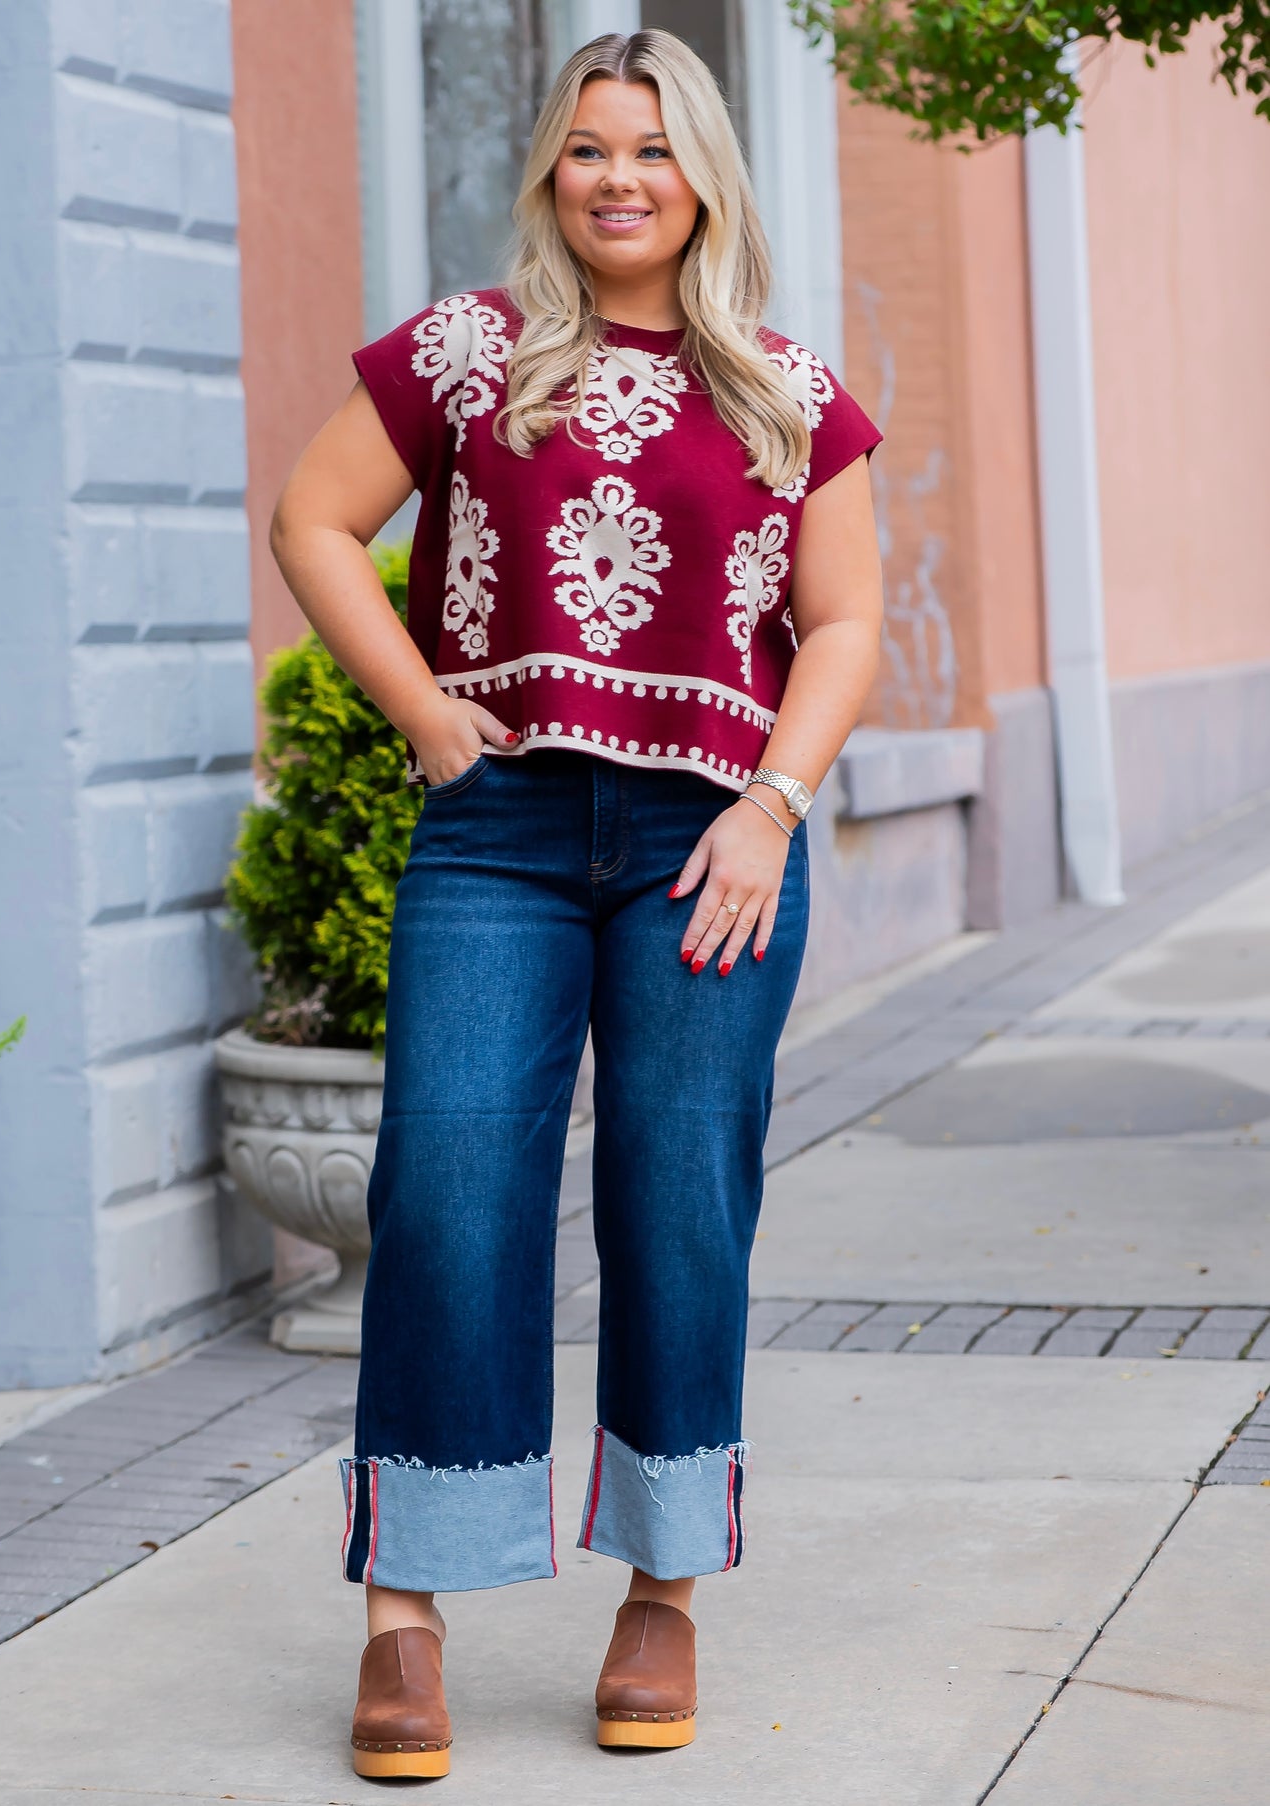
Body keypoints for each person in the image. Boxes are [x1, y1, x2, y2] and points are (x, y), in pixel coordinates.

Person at [270, 27, 884, 1781]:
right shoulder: (467, 352)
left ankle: (662, 1589)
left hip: (712, 844)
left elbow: (841, 623)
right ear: (551, 170)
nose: (621, 178)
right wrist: (426, 717)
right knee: (449, 1190)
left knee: (680, 1201)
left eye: (654, 150)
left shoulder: (786, 389)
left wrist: (771, 806)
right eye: (590, 148)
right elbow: (313, 520)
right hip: (501, 836)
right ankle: (406, 1613)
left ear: (704, 180)